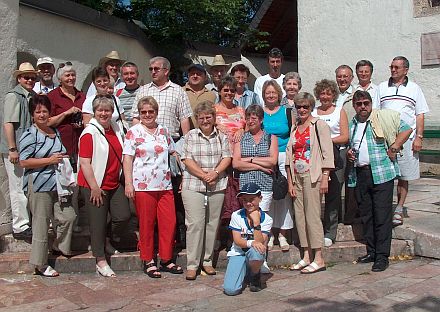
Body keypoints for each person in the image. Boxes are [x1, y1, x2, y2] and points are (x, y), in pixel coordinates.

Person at [131, 56, 192, 247]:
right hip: (146, 151)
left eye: (156, 68)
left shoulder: (178, 91)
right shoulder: (143, 91)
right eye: (150, 69)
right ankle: (153, 241)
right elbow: (135, 118)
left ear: (167, 70)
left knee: (172, 195)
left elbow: (184, 122)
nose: (153, 72)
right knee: (149, 200)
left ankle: (174, 239)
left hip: (170, 146)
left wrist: (186, 149)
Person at [348, 90, 412, 271]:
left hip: (381, 173)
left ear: (371, 104)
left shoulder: (380, 118)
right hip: (360, 174)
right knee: (367, 215)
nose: (362, 107)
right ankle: (372, 251)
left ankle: (383, 256)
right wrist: (350, 154)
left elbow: (406, 128)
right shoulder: (353, 123)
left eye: (366, 103)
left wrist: (395, 146)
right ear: (354, 106)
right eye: (359, 104)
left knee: (382, 216)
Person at [123, 96, 183, 278]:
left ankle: (166, 258)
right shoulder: (133, 132)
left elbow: (173, 152)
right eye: (144, 112)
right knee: (147, 224)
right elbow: (127, 158)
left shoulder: (164, 131)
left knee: (169, 222)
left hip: (164, 184)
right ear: (139, 114)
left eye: (151, 111)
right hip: (143, 186)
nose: (148, 115)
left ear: (156, 112)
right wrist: (128, 183)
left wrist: (180, 171)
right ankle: (148, 259)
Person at [19, 94, 76, 277]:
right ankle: (40, 263)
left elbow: (57, 153)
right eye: (38, 112)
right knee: (41, 224)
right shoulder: (29, 134)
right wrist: (49, 160)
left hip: (58, 184)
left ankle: (58, 246)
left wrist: (61, 159)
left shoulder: (54, 131)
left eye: (44, 111)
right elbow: (24, 162)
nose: (42, 115)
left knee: (68, 216)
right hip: (39, 184)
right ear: (32, 114)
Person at [77, 95, 130, 277]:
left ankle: (107, 239)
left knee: (123, 215)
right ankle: (100, 259)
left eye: (107, 110)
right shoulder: (89, 133)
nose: (104, 113)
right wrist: (94, 187)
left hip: (113, 182)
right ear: (94, 112)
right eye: (100, 110)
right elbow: (84, 163)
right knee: (97, 223)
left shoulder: (115, 128)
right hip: (95, 184)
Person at [181, 101, 232, 280]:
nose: (205, 120)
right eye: (201, 117)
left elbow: (227, 157)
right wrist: (204, 175)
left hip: (217, 184)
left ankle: (207, 261)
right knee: (195, 224)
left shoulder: (222, 136)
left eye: (208, 117)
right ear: (196, 119)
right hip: (193, 184)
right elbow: (186, 159)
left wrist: (216, 173)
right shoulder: (190, 136)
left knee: (212, 223)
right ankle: (192, 264)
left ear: (214, 117)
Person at [286, 92, 334, 274]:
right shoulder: (294, 127)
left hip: (312, 175)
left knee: (313, 216)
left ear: (311, 107)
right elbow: (289, 155)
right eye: (299, 106)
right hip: (297, 176)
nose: (302, 109)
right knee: (300, 216)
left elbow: (327, 153)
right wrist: (290, 181)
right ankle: (306, 255)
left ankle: (319, 258)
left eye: (305, 106)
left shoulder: (319, 125)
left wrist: (325, 177)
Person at [379, 56, 429, 226]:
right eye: (391, 66)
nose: (393, 70)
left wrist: (419, 137)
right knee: (384, 175)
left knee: (403, 175)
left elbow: (419, 114)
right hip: (385, 139)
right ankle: (384, 208)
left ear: (406, 70)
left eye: (397, 67)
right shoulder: (382, 87)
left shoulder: (415, 89)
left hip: (407, 139)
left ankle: (399, 208)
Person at [233, 104, 278, 273]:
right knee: (248, 221)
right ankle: (248, 255)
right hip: (246, 185)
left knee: (260, 221)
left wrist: (249, 160)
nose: (251, 120)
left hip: (264, 185)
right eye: (248, 117)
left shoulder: (270, 138)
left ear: (261, 120)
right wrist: (258, 163)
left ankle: (261, 257)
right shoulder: (241, 138)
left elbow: (272, 161)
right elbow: (236, 163)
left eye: (255, 117)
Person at [1, 62, 37, 240]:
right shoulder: (14, 96)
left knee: (25, 187)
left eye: (32, 77)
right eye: (26, 77)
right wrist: (12, 148)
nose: (29, 80)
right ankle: (20, 226)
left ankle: (26, 222)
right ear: (19, 78)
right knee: (17, 188)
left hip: (27, 150)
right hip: (16, 150)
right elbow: (8, 123)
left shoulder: (31, 96)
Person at [312, 79, 349, 247]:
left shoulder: (339, 111)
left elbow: (344, 136)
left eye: (328, 93)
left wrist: (326, 141)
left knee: (333, 194)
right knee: (315, 193)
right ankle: (315, 229)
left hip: (336, 155)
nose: (325, 96)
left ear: (333, 95)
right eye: (322, 93)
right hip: (316, 156)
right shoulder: (313, 111)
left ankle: (330, 231)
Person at [261, 80, 294, 251]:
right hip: (266, 157)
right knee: (267, 195)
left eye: (274, 92)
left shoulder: (287, 112)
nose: (271, 95)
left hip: (284, 156)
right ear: (264, 95)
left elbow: (293, 132)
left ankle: (282, 233)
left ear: (279, 94)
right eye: (268, 93)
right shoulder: (260, 113)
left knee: (284, 195)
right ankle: (270, 232)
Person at [223, 182, 273, 295]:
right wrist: (252, 242)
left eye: (252, 199)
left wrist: (256, 223)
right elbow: (237, 240)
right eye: (245, 200)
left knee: (257, 252)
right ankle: (244, 269)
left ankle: (255, 274)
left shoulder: (267, 219)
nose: (248, 203)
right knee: (231, 290)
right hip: (238, 252)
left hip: (254, 253)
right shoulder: (236, 215)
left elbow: (260, 243)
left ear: (260, 198)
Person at [214, 77, 246, 223]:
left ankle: (238, 229)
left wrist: (242, 129)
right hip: (220, 157)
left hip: (239, 157)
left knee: (238, 195)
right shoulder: (213, 110)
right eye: (225, 90)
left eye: (232, 90)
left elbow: (247, 127)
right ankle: (222, 233)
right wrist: (216, 126)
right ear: (220, 91)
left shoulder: (240, 110)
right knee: (223, 196)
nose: (229, 93)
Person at [116, 62, 141, 126]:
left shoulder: (145, 92)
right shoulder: (116, 94)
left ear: (137, 74)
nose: (129, 77)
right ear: (122, 76)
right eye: (126, 74)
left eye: (132, 73)